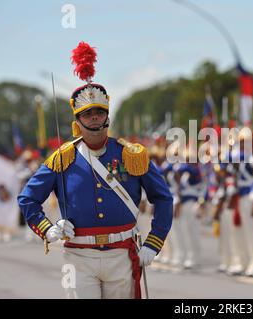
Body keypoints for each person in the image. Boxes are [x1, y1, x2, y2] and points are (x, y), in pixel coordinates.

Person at [17, 42, 173, 299]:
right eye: (87, 114)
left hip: (122, 254)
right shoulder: (62, 158)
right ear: (77, 121)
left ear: (107, 116)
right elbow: (27, 198)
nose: (94, 119)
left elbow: (163, 198)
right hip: (78, 256)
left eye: (99, 113)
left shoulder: (131, 155)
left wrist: (153, 243)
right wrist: (48, 228)